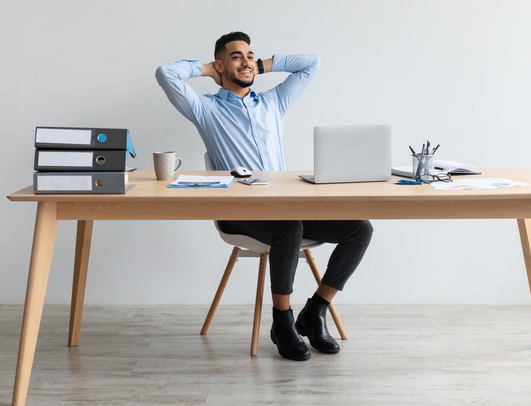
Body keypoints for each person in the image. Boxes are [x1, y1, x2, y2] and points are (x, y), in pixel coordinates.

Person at [155, 31, 373, 361]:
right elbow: (165, 73)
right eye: (236, 56)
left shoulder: (273, 102)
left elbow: (311, 64)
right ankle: (282, 320)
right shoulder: (206, 109)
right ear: (220, 64)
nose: (247, 61)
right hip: (239, 212)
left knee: (360, 228)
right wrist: (207, 69)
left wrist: (262, 65)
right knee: (289, 227)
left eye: (250, 55)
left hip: (288, 206)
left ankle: (315, 310)